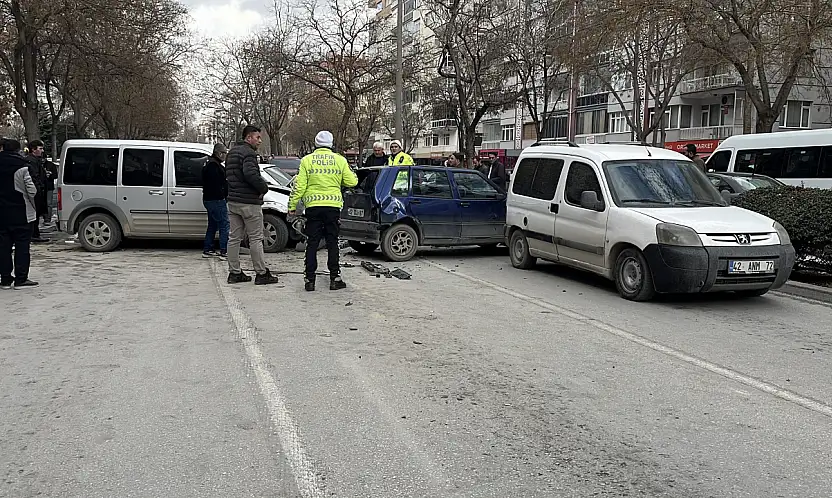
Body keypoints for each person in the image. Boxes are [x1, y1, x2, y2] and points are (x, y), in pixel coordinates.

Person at [288, 130, 358, 292]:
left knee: (312, 242)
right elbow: (352, 181)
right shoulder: (339, 160)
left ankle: (310, 280)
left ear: (316, 144)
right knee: (332, 242)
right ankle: (335, 278)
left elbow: (299, 186)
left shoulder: (307, 160)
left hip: (313, 207)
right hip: (332, 207)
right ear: (331, 144)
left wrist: (292, 206)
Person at [225, 125, 279, 285]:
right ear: (248, 137)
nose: (260, 141)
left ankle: (234, 272)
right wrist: (263, 188)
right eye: (258, 137)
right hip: (249, 202)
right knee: (256, 238)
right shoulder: (249, 154)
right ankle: (261, 273)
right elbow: (250, 174)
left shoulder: (232, 153)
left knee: (234, 238)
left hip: (233, 201)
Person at [0, 139, 38, 289]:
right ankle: (21, 279)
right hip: (21, 212)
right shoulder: (22, 166)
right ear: (17, 150)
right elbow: (32, 190)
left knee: (3, 247)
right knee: (22, 246)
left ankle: (5, 279)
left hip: (1, 214)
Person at [202, 143, 229, 260]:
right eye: (224, 153)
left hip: (208, 199)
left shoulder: (208, 164)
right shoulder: (215, 167)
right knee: (224, 224)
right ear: (219, 153)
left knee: (212, 225)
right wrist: (223, 195)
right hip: (216, 199)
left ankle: (208, 249)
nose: (225, 156)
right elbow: (219, 185)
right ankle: (224, 251)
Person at [26, 140, 49, 243]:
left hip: (39, 189)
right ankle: (34, 234)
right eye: (40, 148)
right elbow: (34, 176)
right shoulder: (31, 161)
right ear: (33, 149)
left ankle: (35, 233)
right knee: (35, 213)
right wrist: (39, 187)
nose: (42, 151)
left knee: (37, 213)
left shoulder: (36, 160)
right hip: (36, 191)